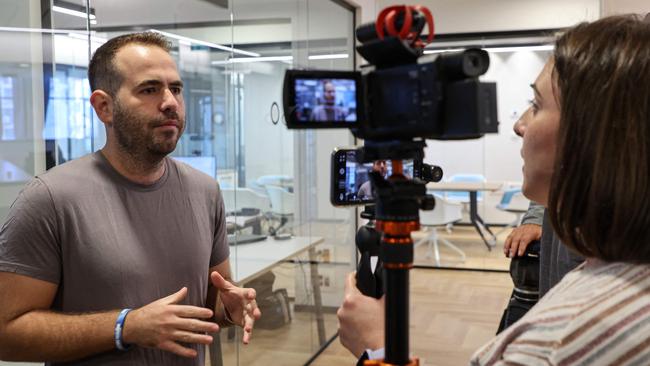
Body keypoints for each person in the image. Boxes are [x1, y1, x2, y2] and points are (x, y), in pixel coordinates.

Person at [338, 14, 650, 364]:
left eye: (537, 105)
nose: (519, 126)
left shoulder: (557, 341)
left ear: (597, 134)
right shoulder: (623, 274)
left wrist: (379, 346)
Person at [0, 32, 260, 365]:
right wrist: (126, 326)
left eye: (176, 89)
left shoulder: (205, 191)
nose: (170, 102)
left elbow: (211, 304)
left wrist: (230, 308)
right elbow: (7, 333)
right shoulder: (50, 199)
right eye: (149, 89)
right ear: (104, 107)